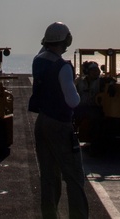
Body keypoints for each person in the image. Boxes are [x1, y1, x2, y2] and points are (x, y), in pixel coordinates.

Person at [29, 22, 88, 219]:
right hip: (60, 125)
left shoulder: (38, 61)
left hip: (42, 122)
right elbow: (73, 101)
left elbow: (43, 49)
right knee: (74, 177)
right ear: (67, 41)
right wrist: (76, 84)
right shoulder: (63, 67)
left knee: (48, 177)